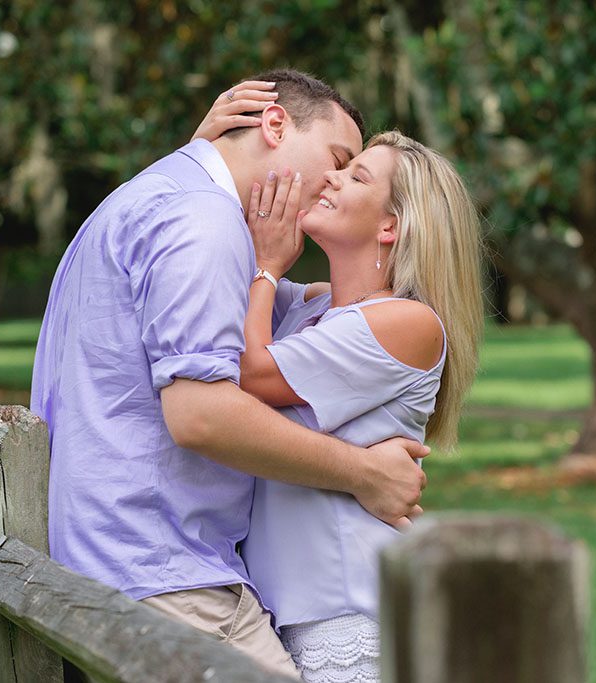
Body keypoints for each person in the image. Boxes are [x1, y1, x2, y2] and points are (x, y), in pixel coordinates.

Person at [30, 70, 429, 676]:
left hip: (117, 562)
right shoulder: (200, 221)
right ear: (274, 125)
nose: (333, 182)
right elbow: (201, 413)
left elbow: (308, 313)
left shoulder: (148, 199)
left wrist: (209, 166)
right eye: (337, 158)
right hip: (167, 570)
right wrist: (364, 472)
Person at [216, 126, 485, 680]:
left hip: (349, 621)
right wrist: (209, 144)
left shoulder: (407, 323)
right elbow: (219, 242)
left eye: (357, 174)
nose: (332, 176)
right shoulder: (309, 310)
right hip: (287, 613)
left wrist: (269, 267)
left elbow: (248, 370)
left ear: (391, 226)